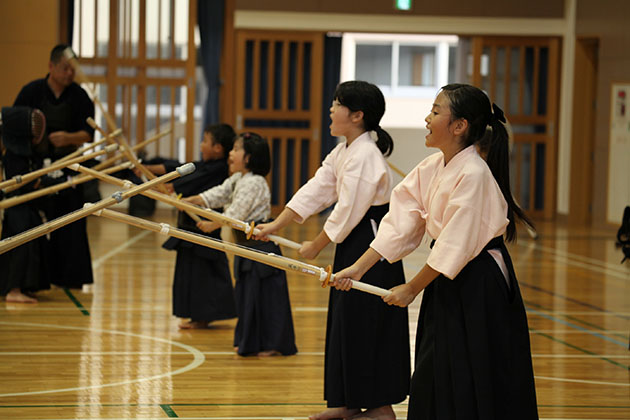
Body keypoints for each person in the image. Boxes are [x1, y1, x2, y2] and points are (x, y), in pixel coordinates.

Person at [335, 83, 539, 420]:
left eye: (435, 111)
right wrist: (358, 268)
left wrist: (412, 288)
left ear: (459, 126)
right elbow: (400, 221)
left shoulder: (473, 173)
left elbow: (454, 245)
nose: (427, 118)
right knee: (436, 362)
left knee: (472, 366)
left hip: (479, 282)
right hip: (449, 277)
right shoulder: (433, 166)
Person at [255, 81, 410, 420]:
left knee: (368, 323)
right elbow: (317, 190)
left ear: (357, 115)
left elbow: (348, 210)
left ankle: (382, 409)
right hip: (353, 243)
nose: (330, 109)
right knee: (347, 322)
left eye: (337, 104)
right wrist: (275, 226)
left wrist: (315, 245)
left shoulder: (366, 155)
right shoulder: (344, 151)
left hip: (372, 247)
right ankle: (349, 403)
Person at [184, 132, 297, 356]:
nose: (231, 154)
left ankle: (273, 344)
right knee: (247, 296)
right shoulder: (238, 179)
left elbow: (236, 214)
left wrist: (212, 224)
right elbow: (218, 194)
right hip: (246, 249)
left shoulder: (254, 182)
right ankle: (252, 341)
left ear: (248, 158)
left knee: (265, 298)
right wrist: (189, 201)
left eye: (236, 149)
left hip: (262, 248)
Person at [13, 44, 95, 289]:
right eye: (64, 68)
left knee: (71, 221)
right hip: (36, 166)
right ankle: (32, 278)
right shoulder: (32, 91)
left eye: (73, 69)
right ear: (51, 66)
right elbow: (15, 125)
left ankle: (69, 278)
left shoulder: (79, 95)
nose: (69, 74)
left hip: (69, 165)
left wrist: (68, 138)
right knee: (30, 219)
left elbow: (89, 133)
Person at [141, 124, 238, 329]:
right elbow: (176, 167)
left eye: (204, 141)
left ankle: (203, 317)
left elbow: (184, 181)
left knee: (205, 274)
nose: (201, 145)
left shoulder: (218, 169)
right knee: (193, 272)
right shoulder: (205, 164)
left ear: (218, 148)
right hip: (190, 226)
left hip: (205, 227)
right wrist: (144, 167)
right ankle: (197, 316)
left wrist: (170, 187)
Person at [0, 106, 50, 303]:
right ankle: (13, 289)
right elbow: (20, 182)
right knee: (19, 245)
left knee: (33, 241)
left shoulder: (26, 153)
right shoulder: (12, 154)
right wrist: (41, 183)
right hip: (15, 206)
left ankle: (26, 285)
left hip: (26, 206)